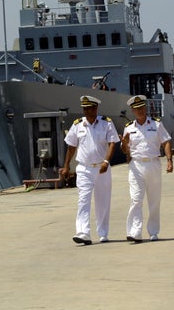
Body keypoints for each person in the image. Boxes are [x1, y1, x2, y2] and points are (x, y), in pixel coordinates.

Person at [62, 95, 120, 245]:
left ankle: (103, 233)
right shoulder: (78, 125)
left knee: (103, 201)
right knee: (83, 200)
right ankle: (83, 233)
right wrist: (66, 165)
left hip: (102, 167)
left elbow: (113, 143)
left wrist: (107, 161)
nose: (87, 111)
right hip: (84, 168)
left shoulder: (106, 123)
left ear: (95, 108)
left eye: (89, 108)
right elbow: (71, 146)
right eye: (84, 109)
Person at [120, 95, 173, 243]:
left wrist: (169, 160)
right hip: (136, 165)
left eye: (142, 108)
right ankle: (135, 232)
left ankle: (153, 231)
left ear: (145, 108)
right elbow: (125, 150)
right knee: (136, 199)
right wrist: (124, 144)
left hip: (153, 164)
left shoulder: (156, 124)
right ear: (133, 110)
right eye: (137, 109)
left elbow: (166, 142)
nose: (140, 111)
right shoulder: (129, 127)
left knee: (154, 200)